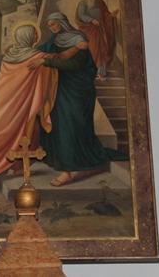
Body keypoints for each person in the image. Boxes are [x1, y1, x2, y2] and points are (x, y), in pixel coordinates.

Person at [0, 22, 88, 199]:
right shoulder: (34, 56)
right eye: (33, 34)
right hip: (11, 108)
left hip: (1, 102)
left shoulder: (11, 54)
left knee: (30, 131)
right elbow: (60, 58)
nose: (36, 37)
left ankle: (17, 167)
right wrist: (77, 47)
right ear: (28, 37)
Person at [28, 13, 129, 187]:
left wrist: (46, 62)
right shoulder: (55, 39)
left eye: (54, 24)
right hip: (59, 89)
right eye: (50, 26)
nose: (52, 28)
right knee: (59, 127)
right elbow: (40, 52)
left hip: (77, 91)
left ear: (62, 22)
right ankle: (65, 168)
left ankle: (71, 169)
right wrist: (21, 50)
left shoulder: (78, 39)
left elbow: (75, 65)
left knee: (72, 128)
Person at [74, 0, 119, 81]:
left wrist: (112, 16)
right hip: (88, 30)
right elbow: (81, 15)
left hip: (99, 29)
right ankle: (89, 71)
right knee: (92, 49)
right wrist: (91, 20)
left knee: (101, 49)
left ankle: (99, 72)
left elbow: (105, 14)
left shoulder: (100, 2)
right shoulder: (82, 3)